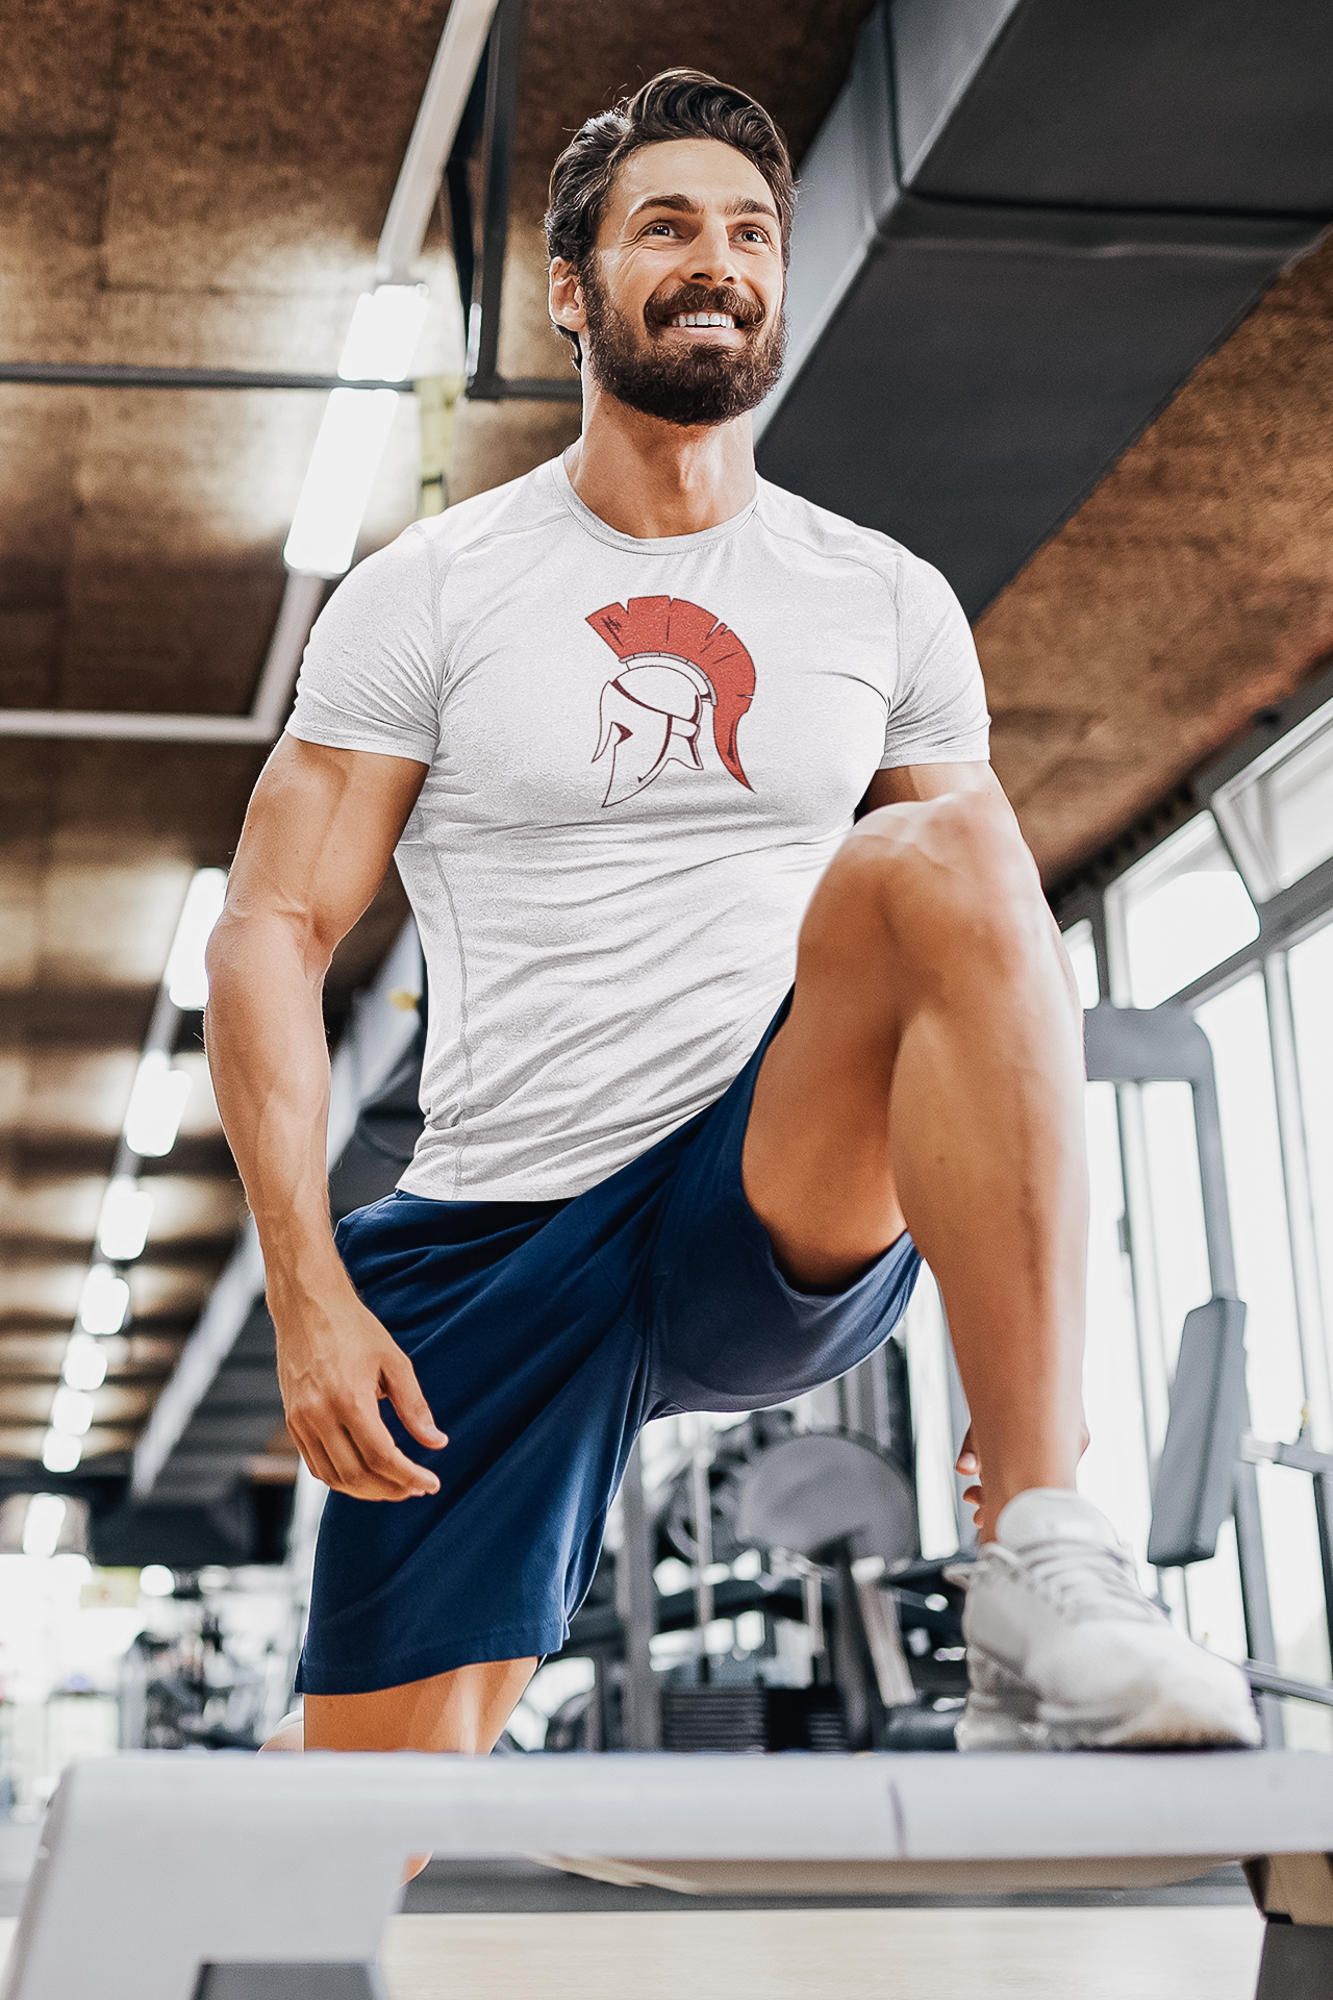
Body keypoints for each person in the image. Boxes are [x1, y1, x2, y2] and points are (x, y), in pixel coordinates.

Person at [206, 69, 1258, 1762]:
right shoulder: (435, 590)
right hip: (498, 1230)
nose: (721, 260)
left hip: (757, 1186)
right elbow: (268, 926)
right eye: (669, 225)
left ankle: (1041, 1557)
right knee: (356, 1825)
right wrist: (308, 1283)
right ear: (573, 288)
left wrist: (1026, 1396)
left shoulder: (883, 597)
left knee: (949, 860)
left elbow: (990, 957)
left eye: (753, 230)